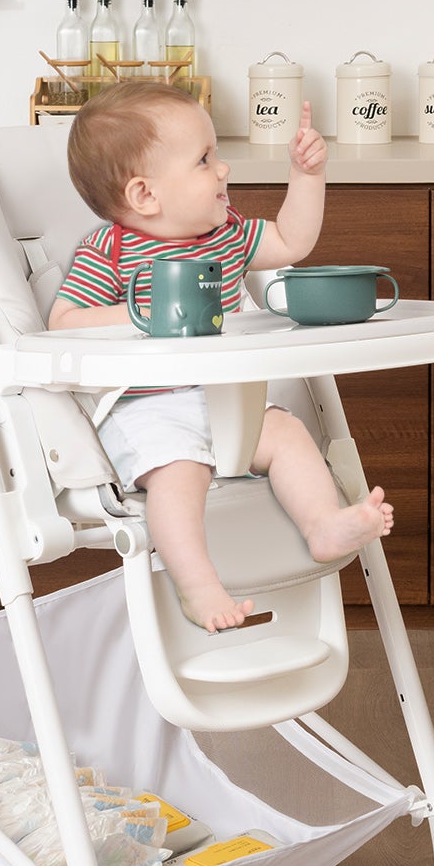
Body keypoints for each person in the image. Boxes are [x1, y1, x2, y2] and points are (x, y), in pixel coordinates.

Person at [49, 81, 393, 634]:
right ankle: (198, 585)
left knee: (287, 436)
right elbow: (62, 324)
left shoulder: (225, 236)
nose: (223, 170)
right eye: (205, 159)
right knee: (176, 477)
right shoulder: (109, 250)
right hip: (149, 408)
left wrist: (307, 177)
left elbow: (291, 241)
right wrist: (144, 313)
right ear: (145, 195)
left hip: (225, 399)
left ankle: (324, 524)